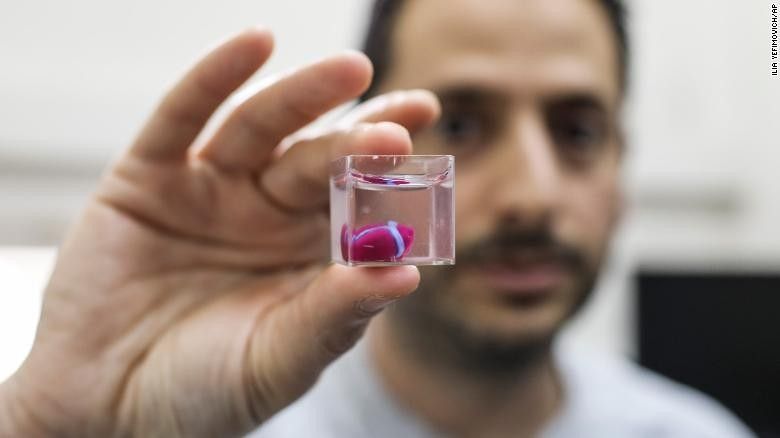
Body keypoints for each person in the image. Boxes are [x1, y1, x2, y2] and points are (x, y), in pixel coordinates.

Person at [0, 0, 754, 437]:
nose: (532, 194)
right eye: (460, 125)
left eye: (578, 131)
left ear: (622, 165)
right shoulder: (201, 420)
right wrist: (48, 421)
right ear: (369, 155)